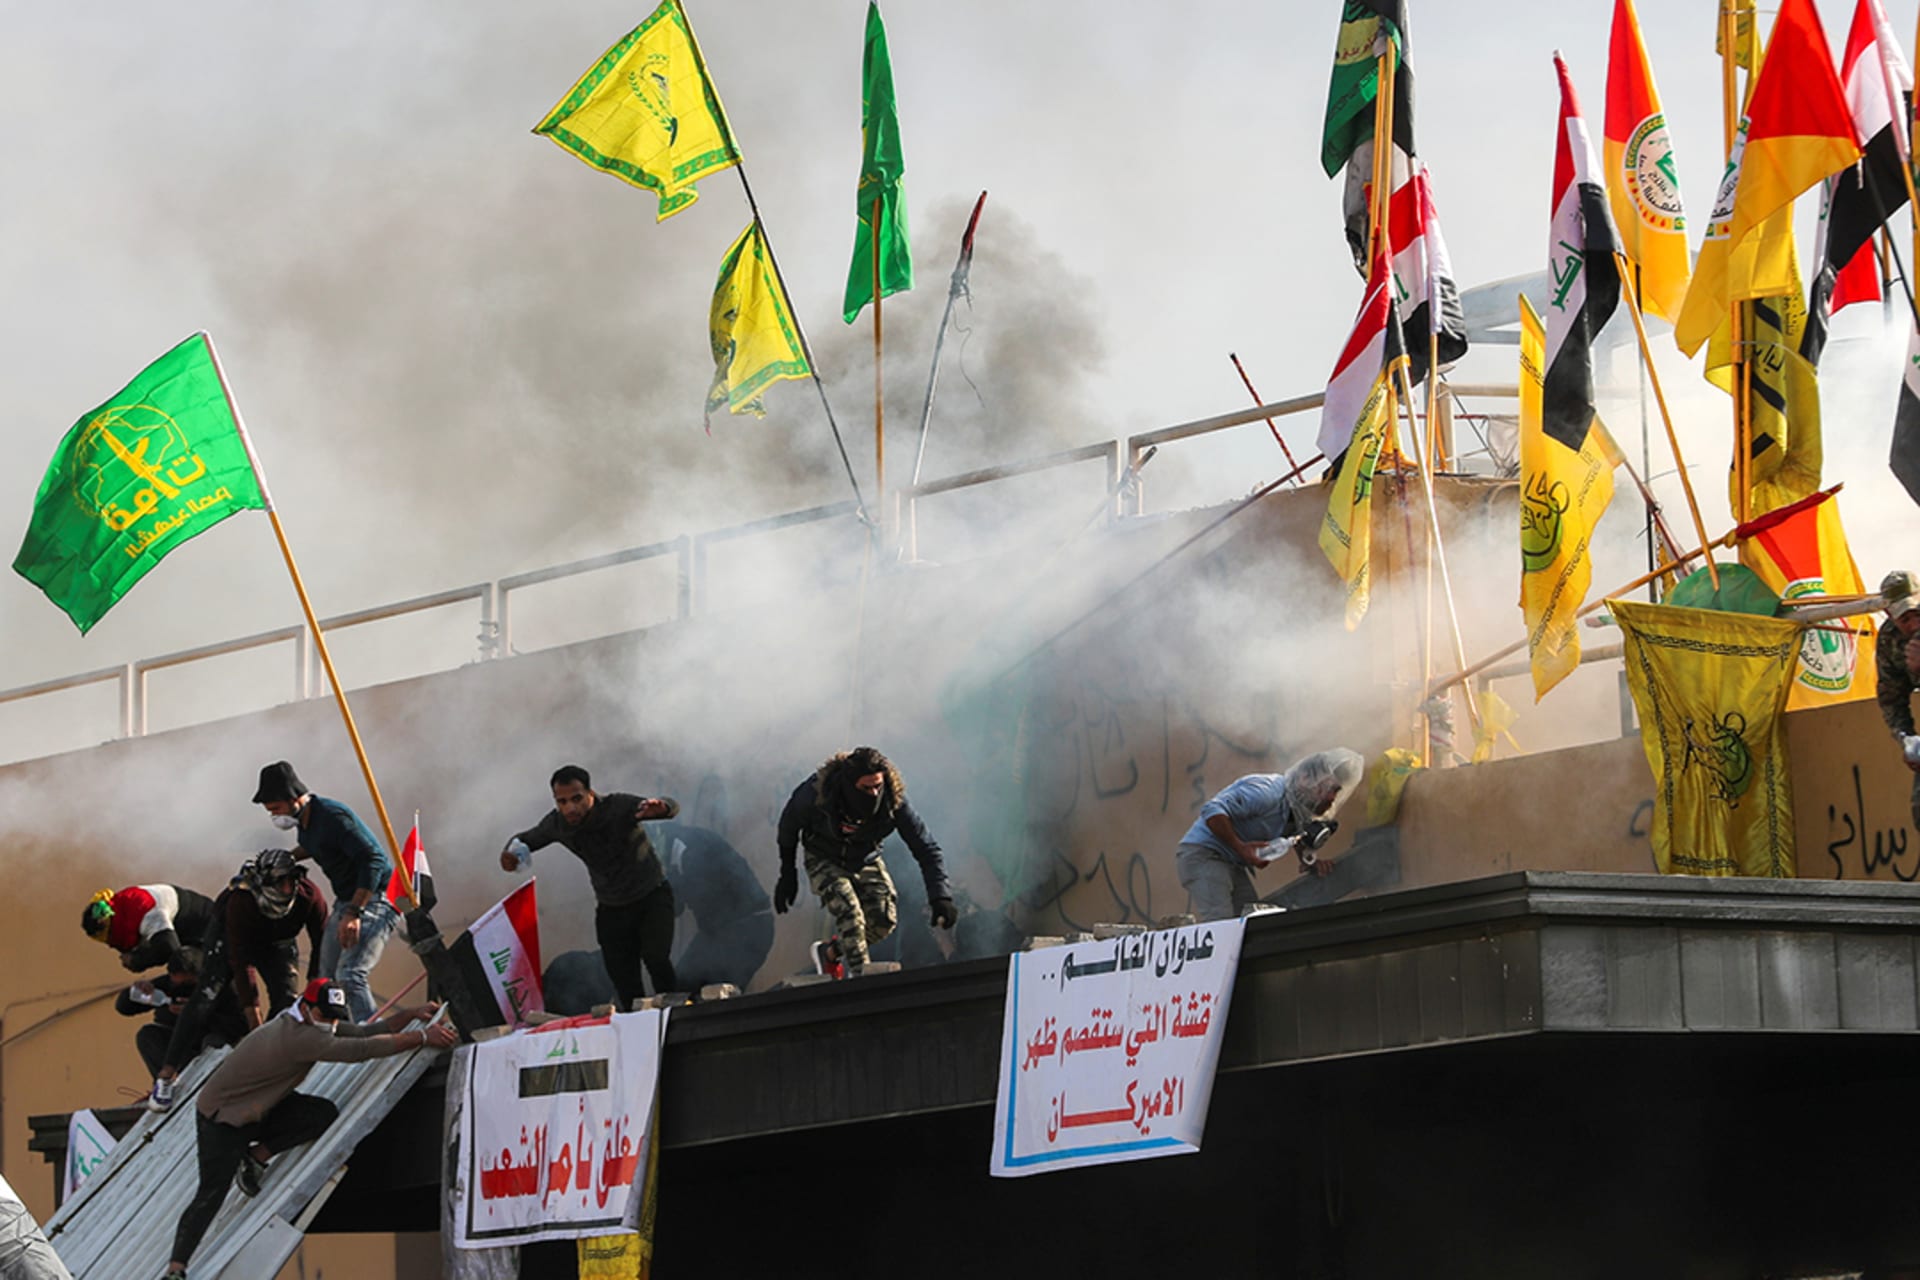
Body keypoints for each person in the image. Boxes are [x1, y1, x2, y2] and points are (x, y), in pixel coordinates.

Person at [162, 979, 454, 1279]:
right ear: (305, 1007)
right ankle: (176, 1267)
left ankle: (256, 1156)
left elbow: (365, 1031)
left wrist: (410, 1014)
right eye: (325, 1016)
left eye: (335, 1016)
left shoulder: (314, 1023)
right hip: (223, 1119)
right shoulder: (299, 1037)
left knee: (320, 1115)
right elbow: (362, 1049)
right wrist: (421, 1037)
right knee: (210, 1194)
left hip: (263, 1106)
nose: (332, 1023)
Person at [147, 850, 330, 1113]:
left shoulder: (309, 896)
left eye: (292, 880)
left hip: (278, 941)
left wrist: (315, 986)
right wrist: (253, 1015)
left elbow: (321, 940)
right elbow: (240, 960)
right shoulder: (241, 901)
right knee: (205, 997)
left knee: (286, 999)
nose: (287, 888)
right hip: (230, 940)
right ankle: (167, 1075)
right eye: (280, 882)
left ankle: (270, 1067)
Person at [501, 765, 680, 1010]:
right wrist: (510, 855)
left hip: (651, 897)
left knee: (656, 958)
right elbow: (524, 840)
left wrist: (663, 807)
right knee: (624, 979)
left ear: (590, 794)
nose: (570, 808)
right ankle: (640, 1030)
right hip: (612, 909)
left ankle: (679, 1015)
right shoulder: (557, 824)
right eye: (562, 802)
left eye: (576, 799)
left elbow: (666, 807)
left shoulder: (616, 807)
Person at [774, 746, 955, 979]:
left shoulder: (893, 800)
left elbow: (926, 847)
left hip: (865, 857)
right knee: (850, 913)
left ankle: (829, 953)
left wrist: (940, 896)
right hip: (823, 857)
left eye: (877, 786)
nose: (873, 794)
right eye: (865, 788)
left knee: (883, 920)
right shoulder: (817, 792)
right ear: (849, 785)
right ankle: (860, 980)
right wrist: (787, 873)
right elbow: (788, 827)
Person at [252, 761, 398, 1023]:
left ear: (294, 798)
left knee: (350, 975)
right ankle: (340, 1041)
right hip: (346, 902)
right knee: (327, 981)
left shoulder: (331, 816)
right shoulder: (306, 824)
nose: (275, 817)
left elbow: (372, 860)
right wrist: (287, 858)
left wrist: (354, 912)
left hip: (376, 898)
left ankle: (376, 1041)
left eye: (276, 809)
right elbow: (318, 846)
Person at [1174, 748, 1365, 923]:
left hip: (1231, 860)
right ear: (1306, 778)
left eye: (1337, 791)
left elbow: (1295, 832)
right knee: (1221, 923)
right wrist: (1241, 847)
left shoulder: (1296, 805)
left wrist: (1310, 862)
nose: (1332, 798)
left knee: (1251, 921)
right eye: (1331, 789)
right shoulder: (1268, 792)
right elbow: (1212, 811)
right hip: (1204, 854)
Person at [655, 820, 774, 991]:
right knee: (680, 987)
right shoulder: (675, 848)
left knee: (716, 994)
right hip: (718, 931)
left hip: (745, 928)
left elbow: (695, 894)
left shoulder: (690, 847)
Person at [114, 947, 245, 1083]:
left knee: (213, 1042)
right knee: (146, 1035)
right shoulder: (169, 985)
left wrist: (199, 1013)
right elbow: (124, 1008)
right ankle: (166, 1084)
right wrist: (136, 991)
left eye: (187, 984)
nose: (181, 987)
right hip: (181, 1051)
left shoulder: (223, 986)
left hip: (211, 1045)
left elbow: (240, 1026)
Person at [81, 884, 216, 973]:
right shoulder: (122, 905)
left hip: (206, 932)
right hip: (181, 928)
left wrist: (137, 961)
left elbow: (170, 948)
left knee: (181, 965)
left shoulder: (147, 914)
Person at [1876, 569, 1920, 831]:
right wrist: (1906, 738)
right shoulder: (1890, 638)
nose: (1914, 625)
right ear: (1890, 615)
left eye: (1917, 613)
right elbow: (1891, 698)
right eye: (1905, 618)